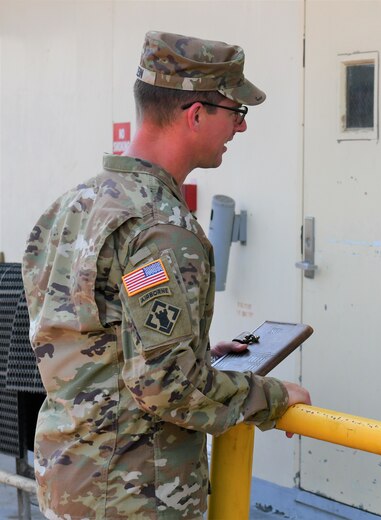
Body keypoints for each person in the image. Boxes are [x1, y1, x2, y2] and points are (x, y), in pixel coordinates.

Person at [22, 31, 311, 519]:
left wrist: (191, 350)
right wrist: (275, 398)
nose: (240, 129)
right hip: (135, 494)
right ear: (196, 114)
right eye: (236, 113)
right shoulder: (161, 228)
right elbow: (167, 387)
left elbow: (87, 342)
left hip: (69, 476)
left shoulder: (73, 206)